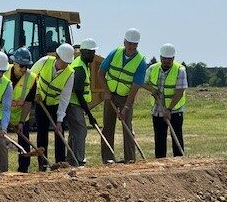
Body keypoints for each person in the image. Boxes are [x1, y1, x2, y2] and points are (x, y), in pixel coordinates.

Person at [98, 28, 147, 163]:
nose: (131, 47)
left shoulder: (141, 62)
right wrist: (107, 92)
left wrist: (126, 108)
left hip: (126, 97)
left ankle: (130, 159)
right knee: (108, 127)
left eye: (134, 44)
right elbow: (101, 73)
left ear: (137, 45)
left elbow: (135, 87)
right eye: (129, 43)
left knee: (127, 128)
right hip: (111, 95)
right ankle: (108, 159)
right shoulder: (115, 53)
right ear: (124, 42)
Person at [30, 43, 75, 170]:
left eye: (67, 63)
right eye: (63, 62)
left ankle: (60, 164)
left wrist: (60, 120)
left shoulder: (70, 74)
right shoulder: (44, 62)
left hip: (56, 105)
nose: (65, 65)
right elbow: (31, 77)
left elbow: (65, 98)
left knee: (59, 134)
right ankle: (42, 164)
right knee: (42, 133)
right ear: (57, 56)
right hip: (41, 102)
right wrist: (36, 93)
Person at [145, 43, 187, 158]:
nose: (167, 61)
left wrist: (169, 109)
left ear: (173, 58)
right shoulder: (153, 68)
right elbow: (143, 82)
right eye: (164, 59)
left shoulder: (180, 70)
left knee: (176, 136)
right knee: (159, 139)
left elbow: (180, 91)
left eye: (169, 59)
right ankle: (160, 162)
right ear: (160, 58)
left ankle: (179, 163)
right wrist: (152, 89)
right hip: (157, 109)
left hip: (175, 110)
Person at [66, 39, 99, 166]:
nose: (92, 55)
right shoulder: (79, 67)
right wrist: (89, 114)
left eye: (93, 52)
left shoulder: (83, 64)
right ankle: (79, 160)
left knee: (74, 133)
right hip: (75, 104)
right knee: (81, 131)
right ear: (83, 52)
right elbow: (79, 92)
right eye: (90, 52)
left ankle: (71, 159)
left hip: (75, 104)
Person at [5, 47, 36, 172]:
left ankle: (23, 169)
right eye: (21, 66)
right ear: (14, 63)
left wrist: (22, 122)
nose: (24, 69)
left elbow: (28, 102)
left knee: (24, 142)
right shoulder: (4, 72)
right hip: (2, 113)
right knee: (0, 142)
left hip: (20, 115)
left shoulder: (31, 78)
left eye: (26, 66)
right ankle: (1, 168)